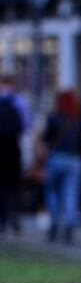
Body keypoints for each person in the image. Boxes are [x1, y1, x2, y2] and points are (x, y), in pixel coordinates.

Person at [44, 90, 81, 243]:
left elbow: (47, 138)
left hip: (56, 158)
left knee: (52, 192)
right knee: (70, 194)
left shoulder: (53, 118)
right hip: (74, 160)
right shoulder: (78, 120)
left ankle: (54, 221)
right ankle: (69, 225)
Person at [0, 75, 29, 234]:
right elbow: (26, 125)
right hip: (13, 149)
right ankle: (14, 218)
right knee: (13, 186)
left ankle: (3, 221)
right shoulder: (19, 102)